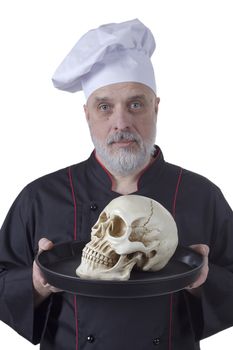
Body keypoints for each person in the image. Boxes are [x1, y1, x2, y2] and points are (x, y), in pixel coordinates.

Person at [0, 18, 232, 350]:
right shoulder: (40, 197)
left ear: (156, 108)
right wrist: (35, 283)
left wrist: (203, 281)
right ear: (87, 114)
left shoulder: (202, 195)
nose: (120, 123)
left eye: (135, 104)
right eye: (105, 107)